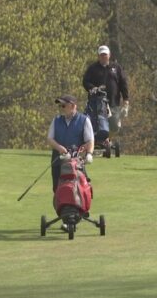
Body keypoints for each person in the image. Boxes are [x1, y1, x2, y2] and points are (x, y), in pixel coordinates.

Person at [47, 95, 94, 232]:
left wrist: (89, 154)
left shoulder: (84, 120)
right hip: (58, 161)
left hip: (76, 162)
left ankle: (78, 213)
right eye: (60, 106)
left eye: (63, 105)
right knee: (59, 189)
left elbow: (90, 140)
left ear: (73, 106)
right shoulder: (56, 120)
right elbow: (50, 139)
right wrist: (61, 149)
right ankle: (66, 218)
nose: (61, 108)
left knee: (80, 188)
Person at [82, 45, 129, 135]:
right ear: (98, 56)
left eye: (105, 55)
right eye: (101, 55)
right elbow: (85, 82)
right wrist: (92, 88)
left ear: (109, 55)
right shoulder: (92, 68)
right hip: (96, 102)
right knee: (97, 125)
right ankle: (98, 141)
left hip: (113, 102)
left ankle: (108, 140)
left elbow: (123, 83)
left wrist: (126, 100)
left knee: (114, 125)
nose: (103, 57)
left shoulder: (116, 67)